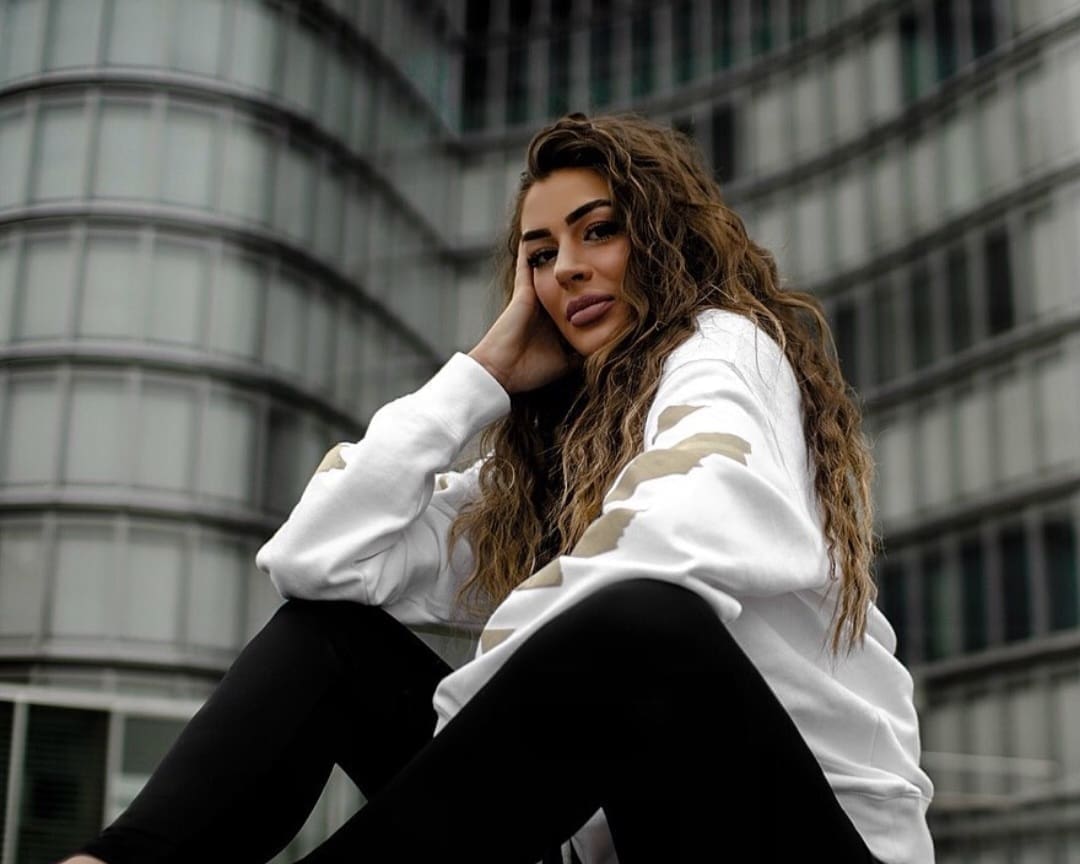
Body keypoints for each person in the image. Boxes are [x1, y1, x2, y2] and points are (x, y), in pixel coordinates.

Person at [64, 112, 933, 864]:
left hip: (802, 840)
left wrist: (478, 734)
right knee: (328, 637)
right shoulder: (556, 459)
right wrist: (480, 375)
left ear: (665, 240)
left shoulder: (728, 349)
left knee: (642, 622)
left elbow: (684, 535)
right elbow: (316, 559)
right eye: (541, 255)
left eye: (599, 231)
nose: (568, 270)